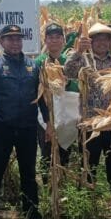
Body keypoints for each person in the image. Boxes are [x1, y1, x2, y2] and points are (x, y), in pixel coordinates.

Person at [0, 24, 43, 219]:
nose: (15, 42)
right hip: (1, 127)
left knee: (29, 174)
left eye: (18, 38)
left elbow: (41, 98)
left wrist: (48, 123)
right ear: (2, 42)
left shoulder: (33, 65)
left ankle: (32, 216)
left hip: (27, 128)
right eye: (10, 39)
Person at [63, 23, 111, 207]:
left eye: (104, 38)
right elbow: (67, 72)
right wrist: (77, 52)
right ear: (90, 42)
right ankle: (87, 206)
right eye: (96, 39)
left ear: (109, 42)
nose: (100, 42)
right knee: (88, 165)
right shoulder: (83, 59)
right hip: (90, 122)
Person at [36, 23, 75, 179]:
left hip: (66, 115)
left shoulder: (69, 61)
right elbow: (36, 91)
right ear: (45, 40)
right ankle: (47, 187)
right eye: (50, 38)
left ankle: (62, 182)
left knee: (64, 150)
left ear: (63, 40)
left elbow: (77, 86)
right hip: (45, 115)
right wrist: (46, 122)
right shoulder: (39, 62)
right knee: (46, 152)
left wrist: (67, 82)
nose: (54, 41)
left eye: (58, 37)